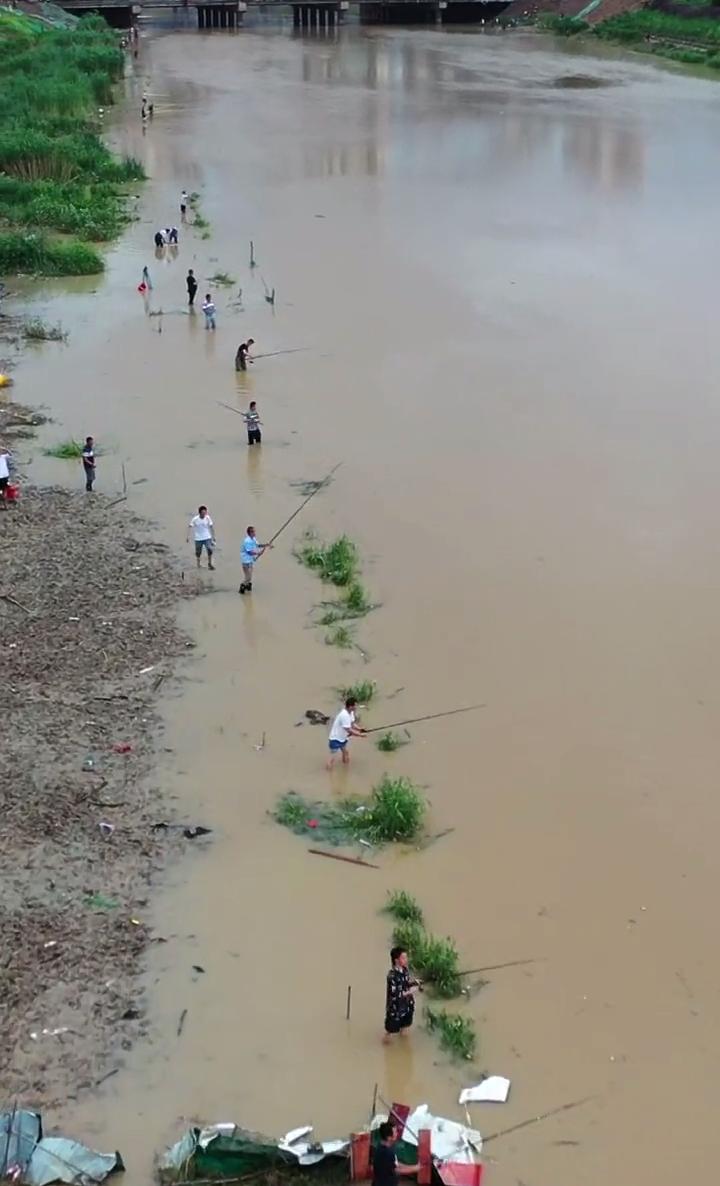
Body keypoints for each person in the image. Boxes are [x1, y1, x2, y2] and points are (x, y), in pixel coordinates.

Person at [383, 946, 422, 1045]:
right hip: (395, 1009)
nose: (406, 960)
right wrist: (411, 991)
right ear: (396, 960)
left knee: (405, 1027)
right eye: (403, 958)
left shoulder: (404, 970)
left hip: (407, 1006)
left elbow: (405, 983)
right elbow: (397, 994)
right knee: (390, 1032)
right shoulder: (392, 976)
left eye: (406, 957)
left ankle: (404, 1045)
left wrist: (414, 983)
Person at [372, 1122, 418, 1186]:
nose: (397, 1134)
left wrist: (414, 1167)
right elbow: (396, 1170)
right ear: (389, 1137)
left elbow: (395, 1163)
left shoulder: (383, 1146)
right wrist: (415, 1168)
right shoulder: (386, 1152)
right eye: (395, 1132)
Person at [326, 697, 365, 770]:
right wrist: (360, 735)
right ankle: (328, 773)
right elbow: (349, 730)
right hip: (335, 739)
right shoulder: (344, 715)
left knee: (346, 753)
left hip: (343, 738)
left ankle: (345, 770)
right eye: (355, 706)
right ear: (350, 706)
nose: (356, 707)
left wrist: (360, 729)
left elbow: (352, 724)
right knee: (332, 758)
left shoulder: (351, 713)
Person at [239, 525, 270, 594]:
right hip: (246, 561)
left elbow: (258, 545)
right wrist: (258, 553)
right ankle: (242, 587)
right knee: (248, 577)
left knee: (249, 576)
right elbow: (249, 552)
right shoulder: (247, 541)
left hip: (250, 561)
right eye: (253, 532)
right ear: (250, 533)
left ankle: (248, 586)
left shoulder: (253, 539)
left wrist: (265, 545)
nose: (255, 533)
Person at [187, 504, 215, 571]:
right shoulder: (195, 519)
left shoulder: (207, 518)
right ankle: (198, 564)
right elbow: (190, 527)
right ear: (199, 513)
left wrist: (213, 536)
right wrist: (188, 536)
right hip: (198, 538)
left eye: (205, 512)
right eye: (203, 513)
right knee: (198, 552)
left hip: (207, 537)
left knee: (210, 549)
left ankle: (210, 563)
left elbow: (211, 527)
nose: (204, 514)